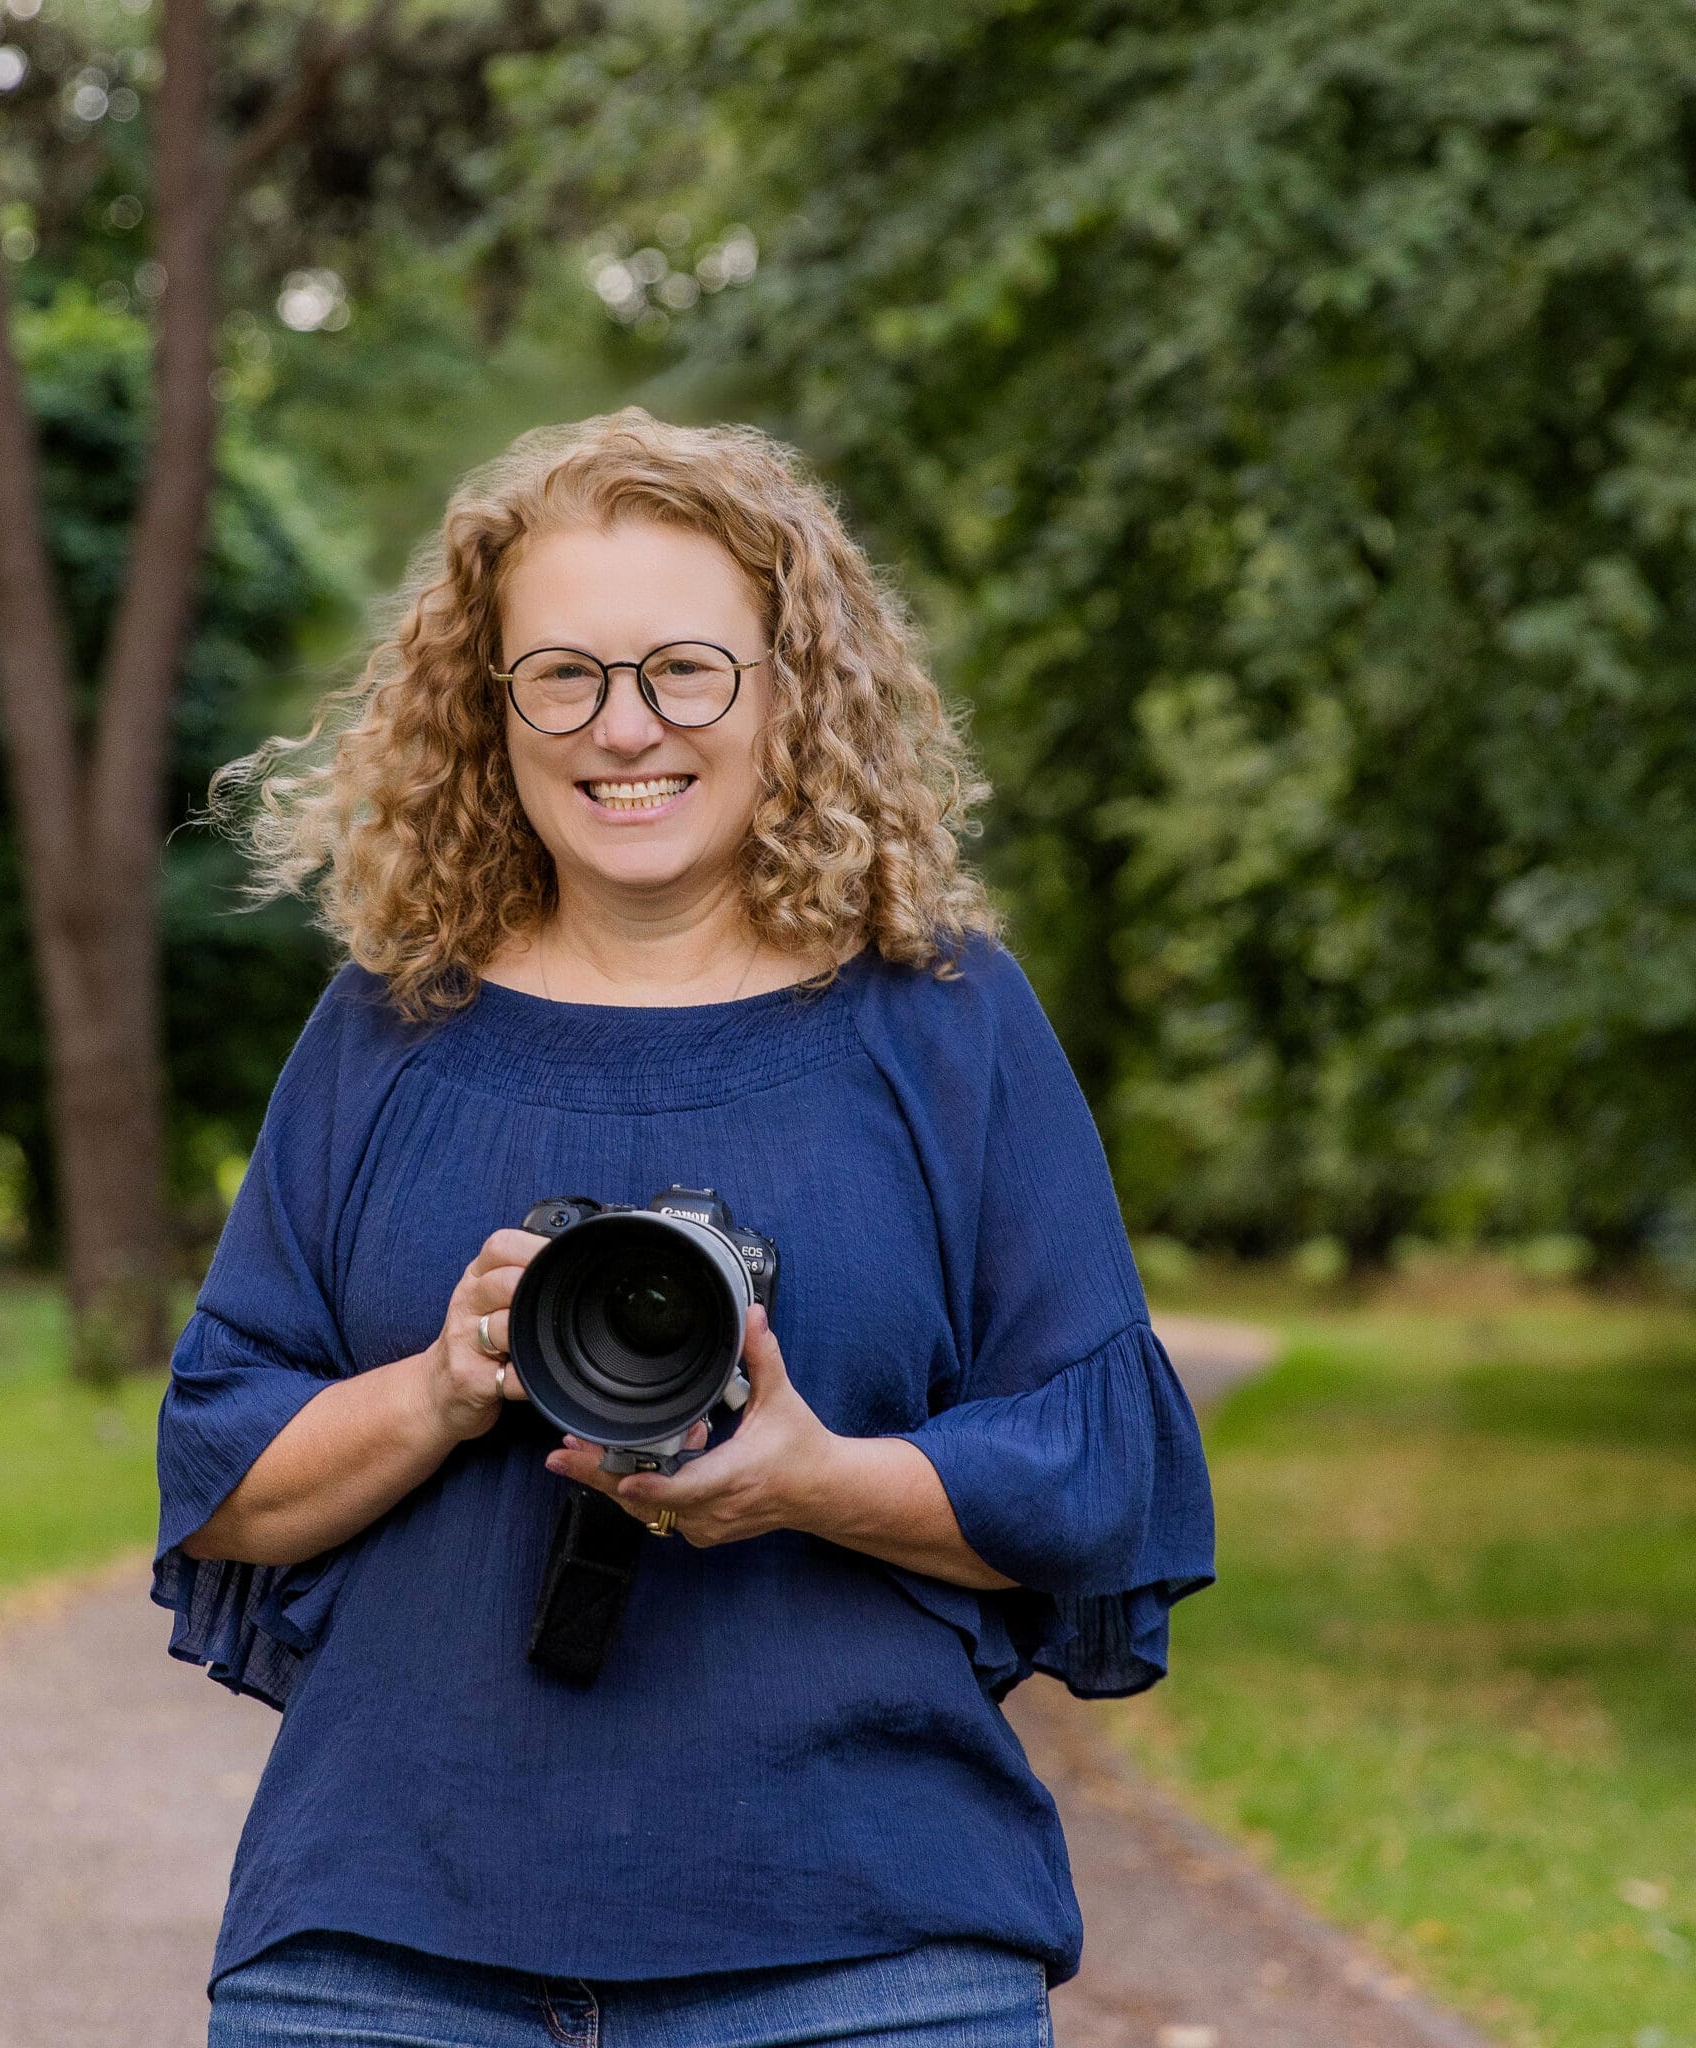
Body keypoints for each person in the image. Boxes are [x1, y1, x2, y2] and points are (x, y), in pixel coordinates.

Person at [156, 408, 1215, 2048]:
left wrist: (813, 1478)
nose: (621, 727)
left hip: (867, 1958)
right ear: (489, 707)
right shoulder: (390, 1029)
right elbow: (222, 1477)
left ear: (788, 689)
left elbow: (1099, 1477)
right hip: (383, 1952)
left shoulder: (943, 1026)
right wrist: (447, 1382)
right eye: (561, 675)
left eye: (684, 671)